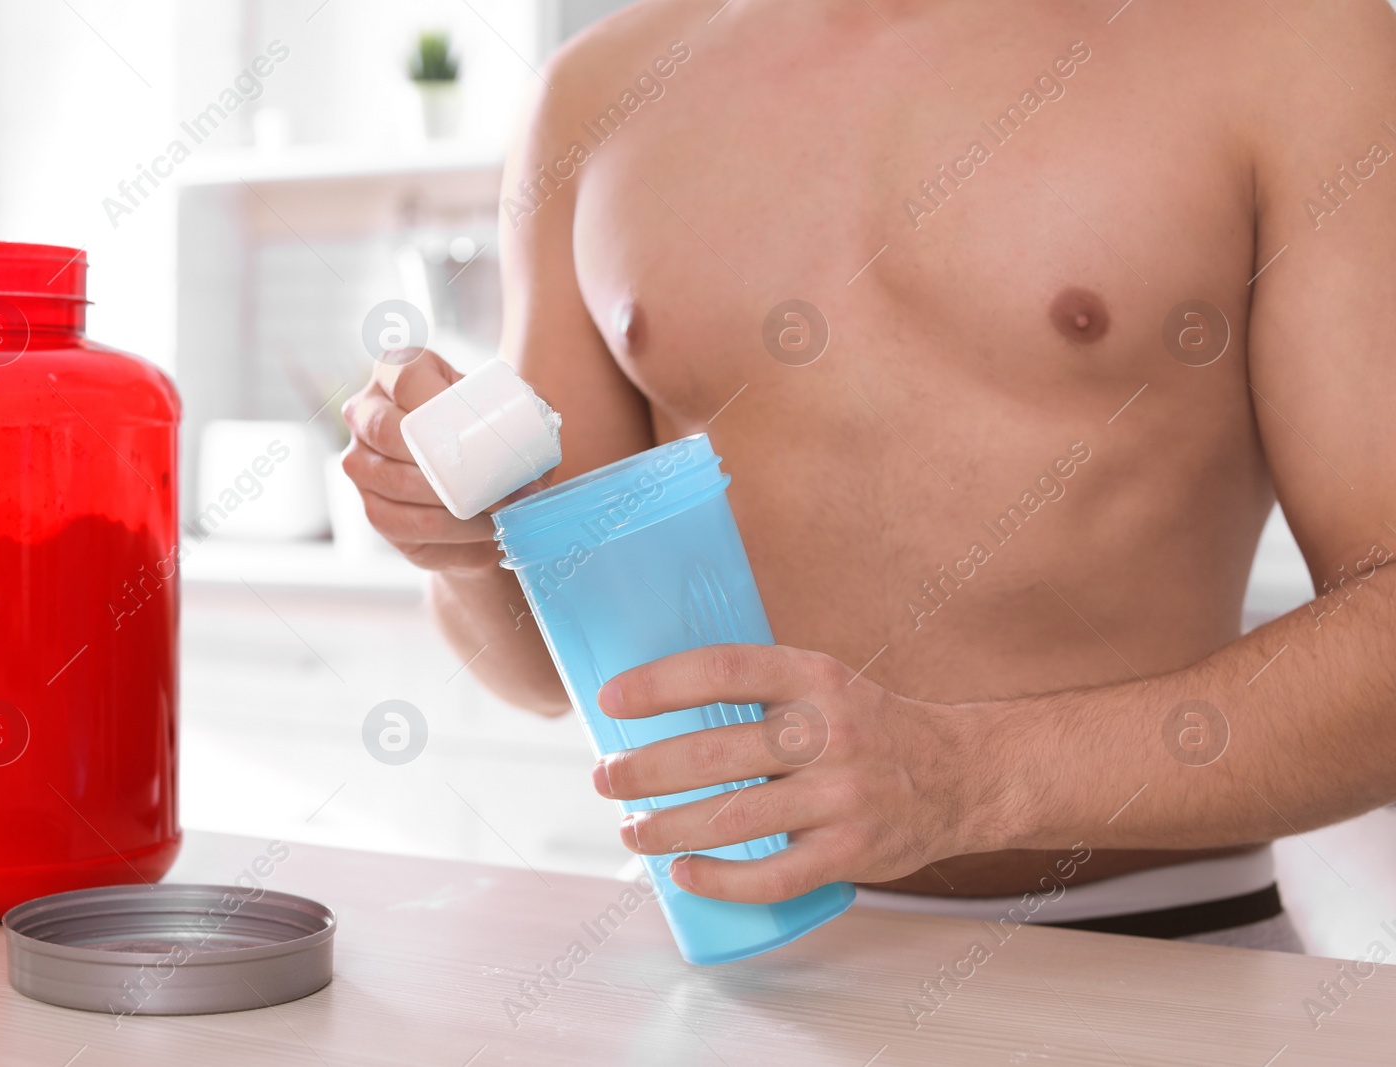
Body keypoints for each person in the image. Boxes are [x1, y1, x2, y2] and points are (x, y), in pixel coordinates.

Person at [342, 0, 1396, 951]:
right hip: (731, 951)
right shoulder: (601, 88)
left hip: (1146, 941)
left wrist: (968, 780)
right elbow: (541, 670)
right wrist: (464, 543)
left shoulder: (1289, 38)